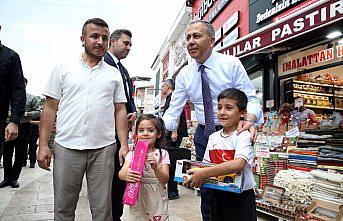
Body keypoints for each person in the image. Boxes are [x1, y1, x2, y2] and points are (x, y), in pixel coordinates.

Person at [162, 20, 262, 220]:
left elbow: (251, 99)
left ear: (211, 41)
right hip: (204, 135)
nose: (190, 41)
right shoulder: (185, 74)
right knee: (207, 188)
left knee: (235, 185)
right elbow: (173, 111)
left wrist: (249, 120)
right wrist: (151, 131)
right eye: (188, 38)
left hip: (235, 132)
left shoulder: (230, 64)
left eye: (196, 36)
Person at [36, 18, 129, 221]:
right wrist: (43, 145)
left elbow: (120, 110)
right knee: (63, 209)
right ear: (83, 38)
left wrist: (123, 144)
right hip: (67, 146)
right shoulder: (63, 67)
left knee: (103, 211)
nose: (100, 42)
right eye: (95, 36)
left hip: (103, 149)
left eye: (104, 38)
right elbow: (50, 108)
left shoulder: (113, 74)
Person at [185, 88, 256, 221]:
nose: (222, 112)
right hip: (217, 194)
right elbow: (205, 165)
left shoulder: (243, 135)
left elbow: (239, 163)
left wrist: (205, 173)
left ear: (242, 113)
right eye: (219, 108)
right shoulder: (213, 137)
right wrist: (193, 174)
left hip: (241, 198)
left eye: (228, 108)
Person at [104, 29, 137, 221]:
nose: (129, 48)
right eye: (126, 43)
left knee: (119, 178)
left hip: (122, 131)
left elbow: (126, 98)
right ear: (113, 42)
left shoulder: (122, 68)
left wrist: (131, 113)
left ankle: (116, 214)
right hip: (108, 132)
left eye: (130, 44)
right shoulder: (104, 64)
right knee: (109, 180)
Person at [119, 114, 170, 221]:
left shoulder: (163, 154)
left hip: (156, 197)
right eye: (141, 130)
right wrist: (127, 175)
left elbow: (165, 179)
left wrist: (156, 167)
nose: (145, 134)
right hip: (136, 195)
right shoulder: (132, 153)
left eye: (150, 130)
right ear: (136, 134)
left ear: (159, 134)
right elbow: (121, 174)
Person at [0, 24, 26, 188]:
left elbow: (18, 90)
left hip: (5, 121)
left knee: (16, 152)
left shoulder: (10, 57)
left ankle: (12, 177)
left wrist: (14, 120)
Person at [161, 79, 189, 200]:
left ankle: (173, 190)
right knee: (170, 159)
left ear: (168, 87)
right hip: (170, 133)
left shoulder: (173, 97)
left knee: (172, 160)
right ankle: (172, 189)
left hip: (173, 133)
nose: (162, 88)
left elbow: (176, 114)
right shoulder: (169, 98)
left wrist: (174, 131)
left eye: (163, 86)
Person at [22, 79, 41, 168]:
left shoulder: (32, 98)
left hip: (32, 127)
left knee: (33, 145)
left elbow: (38, 112)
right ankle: (23, 161)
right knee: (22, 145)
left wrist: (25, 114)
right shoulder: (12, 98)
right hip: (21, 125)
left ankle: (32, 162)